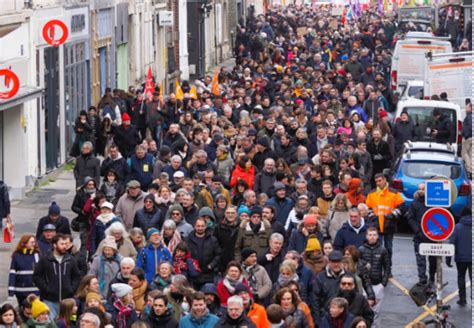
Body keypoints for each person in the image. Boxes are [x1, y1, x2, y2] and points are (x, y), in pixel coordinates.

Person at [33, 234, 81, 319]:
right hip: (49, 300)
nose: (64, 246)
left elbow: (77, 276)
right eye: (62, 244)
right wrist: (46, 289)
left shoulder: (71, 260)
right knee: (49, 322)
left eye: (66, 244)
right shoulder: (45, 259)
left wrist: (72, 289)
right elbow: (37, 276)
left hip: (67, 300)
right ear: (55, 245)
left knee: (70, 321)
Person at [365, 173, 403, 275]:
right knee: (378, 249)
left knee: (388, 249)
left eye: (380, 181)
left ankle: (387, 269)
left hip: (389, 225)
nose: (378, 183)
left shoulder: (394, 193)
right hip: (377, 225)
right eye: (376, 181)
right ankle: (378, 269)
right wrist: (373, 217)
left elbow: (401, 207)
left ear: (385, 180)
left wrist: (392, 216)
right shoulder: (372, 193)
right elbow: (368, 208)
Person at [358, 227, 389, 328]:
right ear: (366, 236)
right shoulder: (361, 250)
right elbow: (357, 266)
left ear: (377, 236)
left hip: (377, 284)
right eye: (370, 235)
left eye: (374, 235)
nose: (372, 237)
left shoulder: (383, 250)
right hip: (364, 286)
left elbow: (387, 267)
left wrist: (383, 284)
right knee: (364, 310)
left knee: (377, 311)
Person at [406, 183, 436, 285]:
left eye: (423, 189)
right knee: (420, 260)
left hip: (432, 236)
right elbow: (410, 218)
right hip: (419, 236)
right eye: (419, 189)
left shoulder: (433, 203)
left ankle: (432, 277)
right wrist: (417, 230)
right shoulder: (414, 203)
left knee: (433, 260)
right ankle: (422, 278)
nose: (421, 191)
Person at [186, 217, 221, 289]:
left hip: (208, 274)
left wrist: (211, 265)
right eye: (198, 226)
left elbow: (218, 255)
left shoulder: (212, 240)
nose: (200, 228)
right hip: (193, 275)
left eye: (202, 226)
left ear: (205, 227)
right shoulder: (188, 240)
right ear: (194, 226)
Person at [312, 250, 346, 325]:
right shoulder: (320, 277)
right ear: (329, 262)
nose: (336, 264)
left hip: (344, 318)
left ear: (342, 262)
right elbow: (315, 301)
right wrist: (317, 321)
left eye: (338, 261)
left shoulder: (348, 276)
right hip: (326, 317)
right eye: (333, 262)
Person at [447, 206, 472, 306]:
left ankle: (462, 299)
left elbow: (451, 243)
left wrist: (448, 259)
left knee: (461, 277)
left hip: (461, 258)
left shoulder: (457, 227)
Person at [8, 234, 41, 305]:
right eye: (31, 242)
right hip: (20, 292)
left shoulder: (37, 255)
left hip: (35, 291)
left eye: (34, 242)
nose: (34, 244)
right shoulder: (16, 256)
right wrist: (11, 292)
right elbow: (12, 274)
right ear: (24, 243)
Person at [462, 102, 472, 178]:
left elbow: (468, 127)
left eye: (467, 107)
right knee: (471, 154)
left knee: (465, 154)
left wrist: (465, 136)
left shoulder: (468, 117)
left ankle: (469, 170)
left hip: (468, 138)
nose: (465, 108)